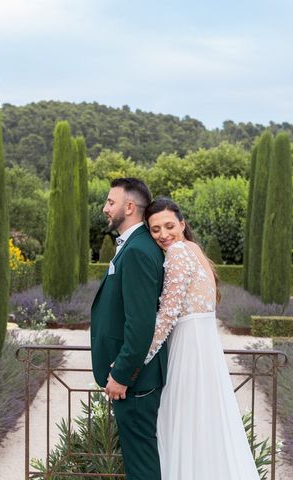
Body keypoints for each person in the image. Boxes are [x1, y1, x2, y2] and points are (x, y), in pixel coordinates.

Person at [144, 197, 261, 480]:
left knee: (183, 425)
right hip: (205, 348)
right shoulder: (195, 250)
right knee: (206, 427)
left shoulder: (177, 253)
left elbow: (168, 315)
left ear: (182, 224)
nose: (163, 234)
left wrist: (140, 358)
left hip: (188, 350)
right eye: (155, 229)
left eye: (169, 226)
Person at [90, 178, 168, 480]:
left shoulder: (137, 250)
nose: (105, 208)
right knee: (139, 461)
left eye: (111, 202)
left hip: (134, 382)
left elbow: (140, 323)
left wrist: (121, 375)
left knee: (142, 466)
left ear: (130, 206)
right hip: (134, 380)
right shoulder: (134, 246)